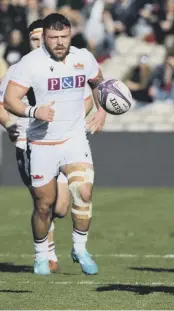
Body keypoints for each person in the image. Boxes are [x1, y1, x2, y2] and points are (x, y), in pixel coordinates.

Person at [3, 13, 107, 275]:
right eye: (53, 37)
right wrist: (32, 112)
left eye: (64, 36)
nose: (59, 42)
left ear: (70, 34)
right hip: (41, 143)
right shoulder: (29, 64)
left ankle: (80, 248)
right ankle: (41, 254)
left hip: (74, 138)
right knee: (45, 205)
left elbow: (98, 82)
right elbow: (10, 99)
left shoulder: (83, 57)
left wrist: (101, 109)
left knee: (83, 192)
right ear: (45, 38)